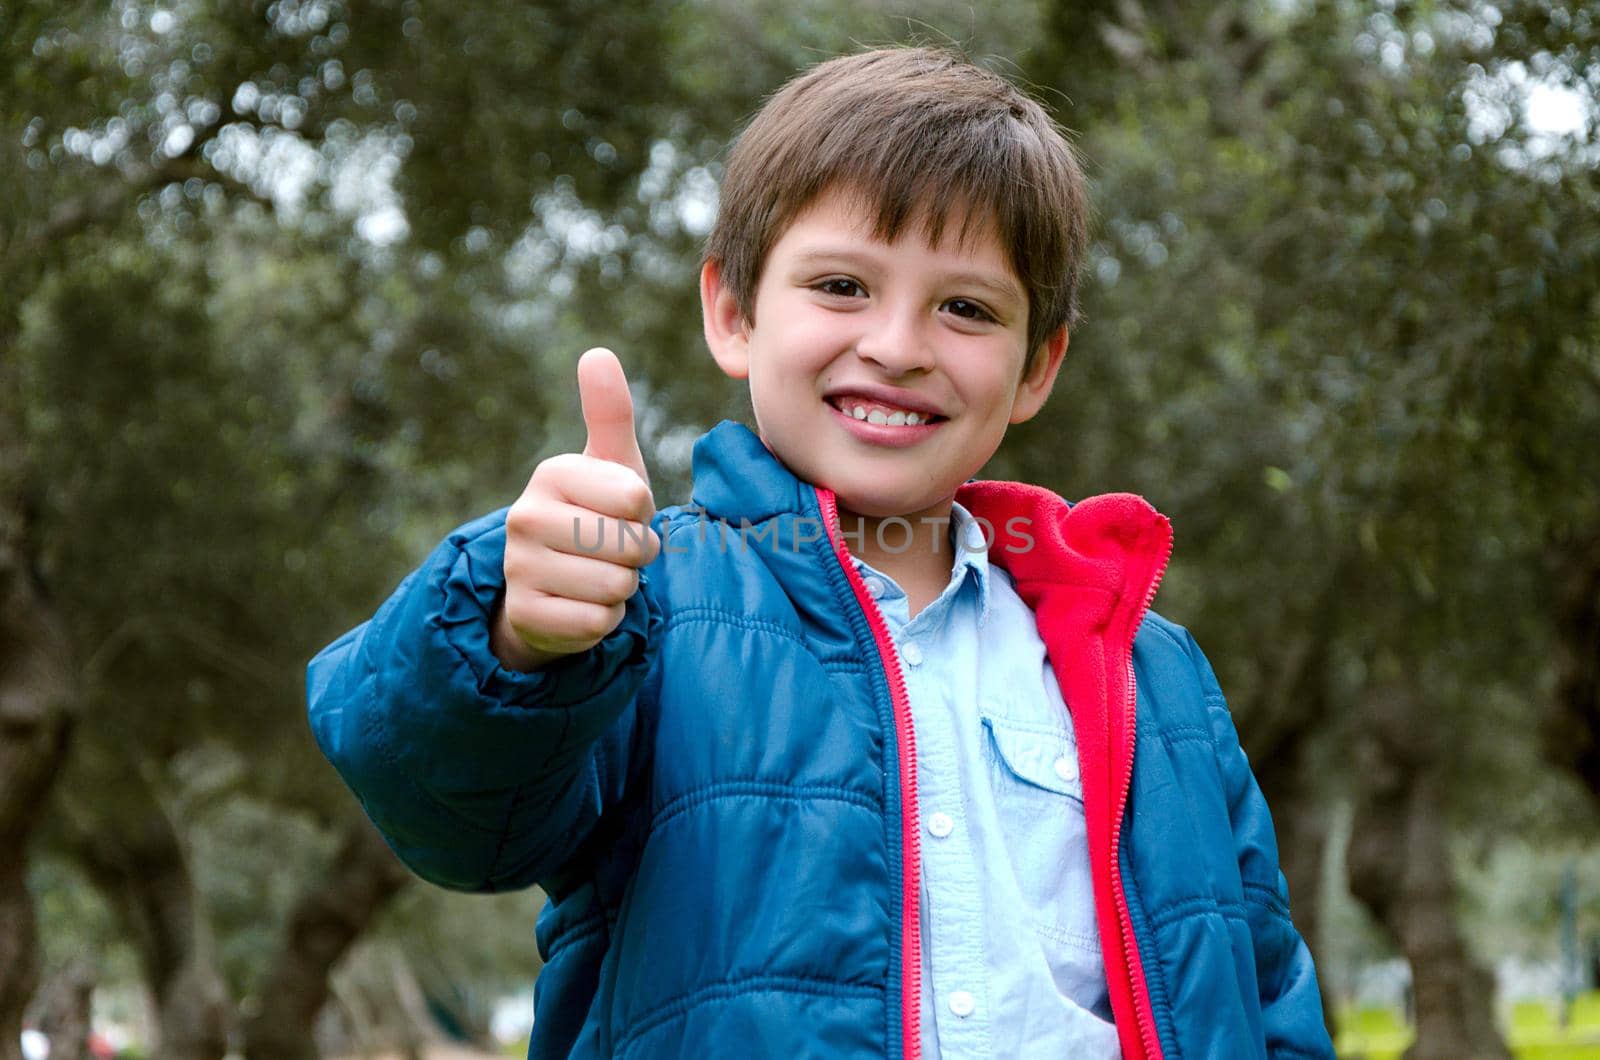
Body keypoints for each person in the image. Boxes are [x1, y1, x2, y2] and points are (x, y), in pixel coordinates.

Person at [307, 45, 1334, 1059]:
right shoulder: (642, 609)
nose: (897, 345)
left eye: (966, 307)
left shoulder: (1149, 671)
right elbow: (454, 819)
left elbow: (1264, 990)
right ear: (732, 312)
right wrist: (511, 630)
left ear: (1037, 366)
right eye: (842, 285)